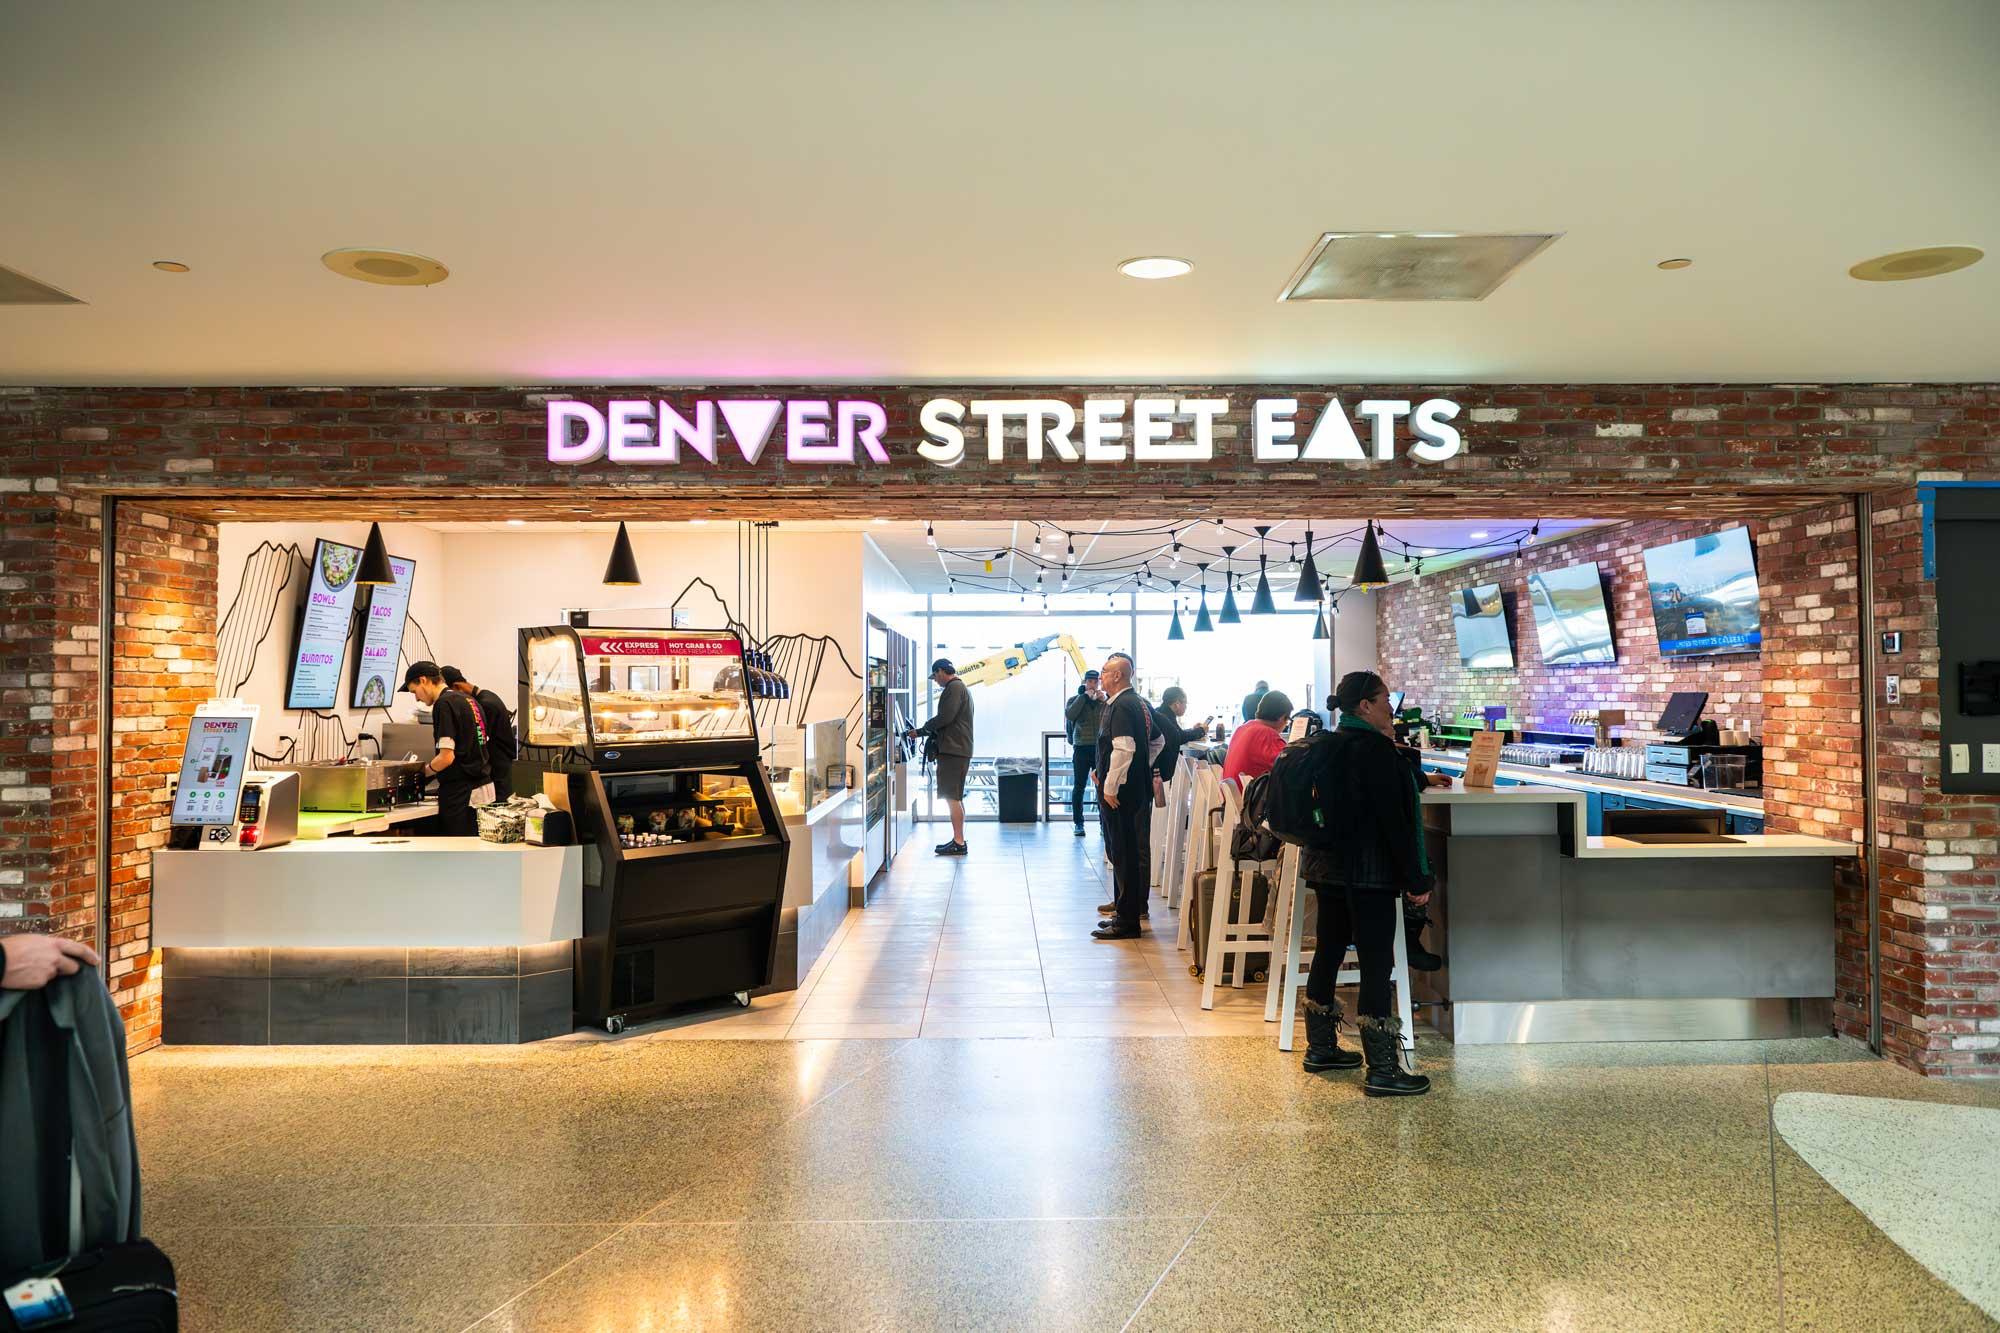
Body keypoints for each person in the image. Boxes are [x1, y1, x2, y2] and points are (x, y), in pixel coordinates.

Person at [1298, 670, 1431, 1096]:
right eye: (1385, 699)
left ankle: (1320, 1048)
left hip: (1325, 867)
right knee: (1377, 961)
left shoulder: (1327, 745)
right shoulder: (1377, 753)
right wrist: (1416, 878)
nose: (1391, 707)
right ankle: (1382, 1069)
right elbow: (1396, 823)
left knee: (1329, 949)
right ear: (1365, 706)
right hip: (1369, 873)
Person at [1091, 652, 1156, 940]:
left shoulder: (1121, 706)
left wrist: (1110, 786)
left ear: (1117, 675)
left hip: (1122, 795)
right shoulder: (1137, 703)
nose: (1101, 676)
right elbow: (1159, 740)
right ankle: (1123, 911)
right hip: (1133, 789)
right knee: (1122, 851)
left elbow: (1125, 747)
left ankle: (1127, 920)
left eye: (1105, 671)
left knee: (1124, 852)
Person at [401, 661, 493, 836]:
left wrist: (421, 774)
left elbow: (446, 757)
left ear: (423, 680)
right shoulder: (469, 700)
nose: (417, 698)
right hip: (483, 787)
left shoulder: (444, 704)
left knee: (455, 853)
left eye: (415, 691)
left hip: (461, 793)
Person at [907, 657, 973, 856]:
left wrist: (921, 731)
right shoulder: (960, 688)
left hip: (954, 750)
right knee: (956, 797)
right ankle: (959, 839)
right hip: (958, 749)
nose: (936, 681)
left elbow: (946, 717)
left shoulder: (953, 688)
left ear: (942, 671)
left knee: (951, 797)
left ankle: (959, 842)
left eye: (935, 677)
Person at [443, 666, 518, 801]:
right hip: (501, 767)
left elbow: (477, 742)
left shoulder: (485, 704)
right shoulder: (488, 695)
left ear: (457, 686)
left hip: (498, 772)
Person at [1064, 669, 1105, 837]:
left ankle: (1104, 823)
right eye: (1089, 681)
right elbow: (1070, 714)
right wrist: (1084, 697)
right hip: (1081, 747)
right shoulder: (1075, 699)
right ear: (1084, 682)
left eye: (1095, 681)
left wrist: (1104, 701)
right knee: (1079, 787)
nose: (1093, 684)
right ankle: (1078, 823)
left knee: (1101, 786)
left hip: (1100, 748)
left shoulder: (1104, 700)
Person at [1222, 689, 1291, 784]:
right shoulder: (1267, 734)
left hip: (1232, 796)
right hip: (1249, 796)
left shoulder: (1242, 728)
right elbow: (1290, 766)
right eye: (1287, 720)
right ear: (1282, 717)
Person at [1151, 686, 1211, 785]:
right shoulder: (1165, 717)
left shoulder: (1161, 711)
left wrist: (1193, 730)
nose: (1186, 706)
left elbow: (1176, 733)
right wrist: (1201, 731)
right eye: (1185, 703)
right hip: (1161, 768)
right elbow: (1179, 737)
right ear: (1177, 704)